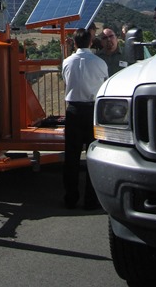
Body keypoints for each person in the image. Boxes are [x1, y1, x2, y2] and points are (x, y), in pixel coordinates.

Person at [61, 26, 108, 210]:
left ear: (74, 42)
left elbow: (66, 81)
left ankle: (70, 198)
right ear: (90, 41)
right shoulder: (99, 63)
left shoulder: (66, 62)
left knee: (71, 158)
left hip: (73, 110)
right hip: (92, 111)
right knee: (93, 155)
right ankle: (91, 199)